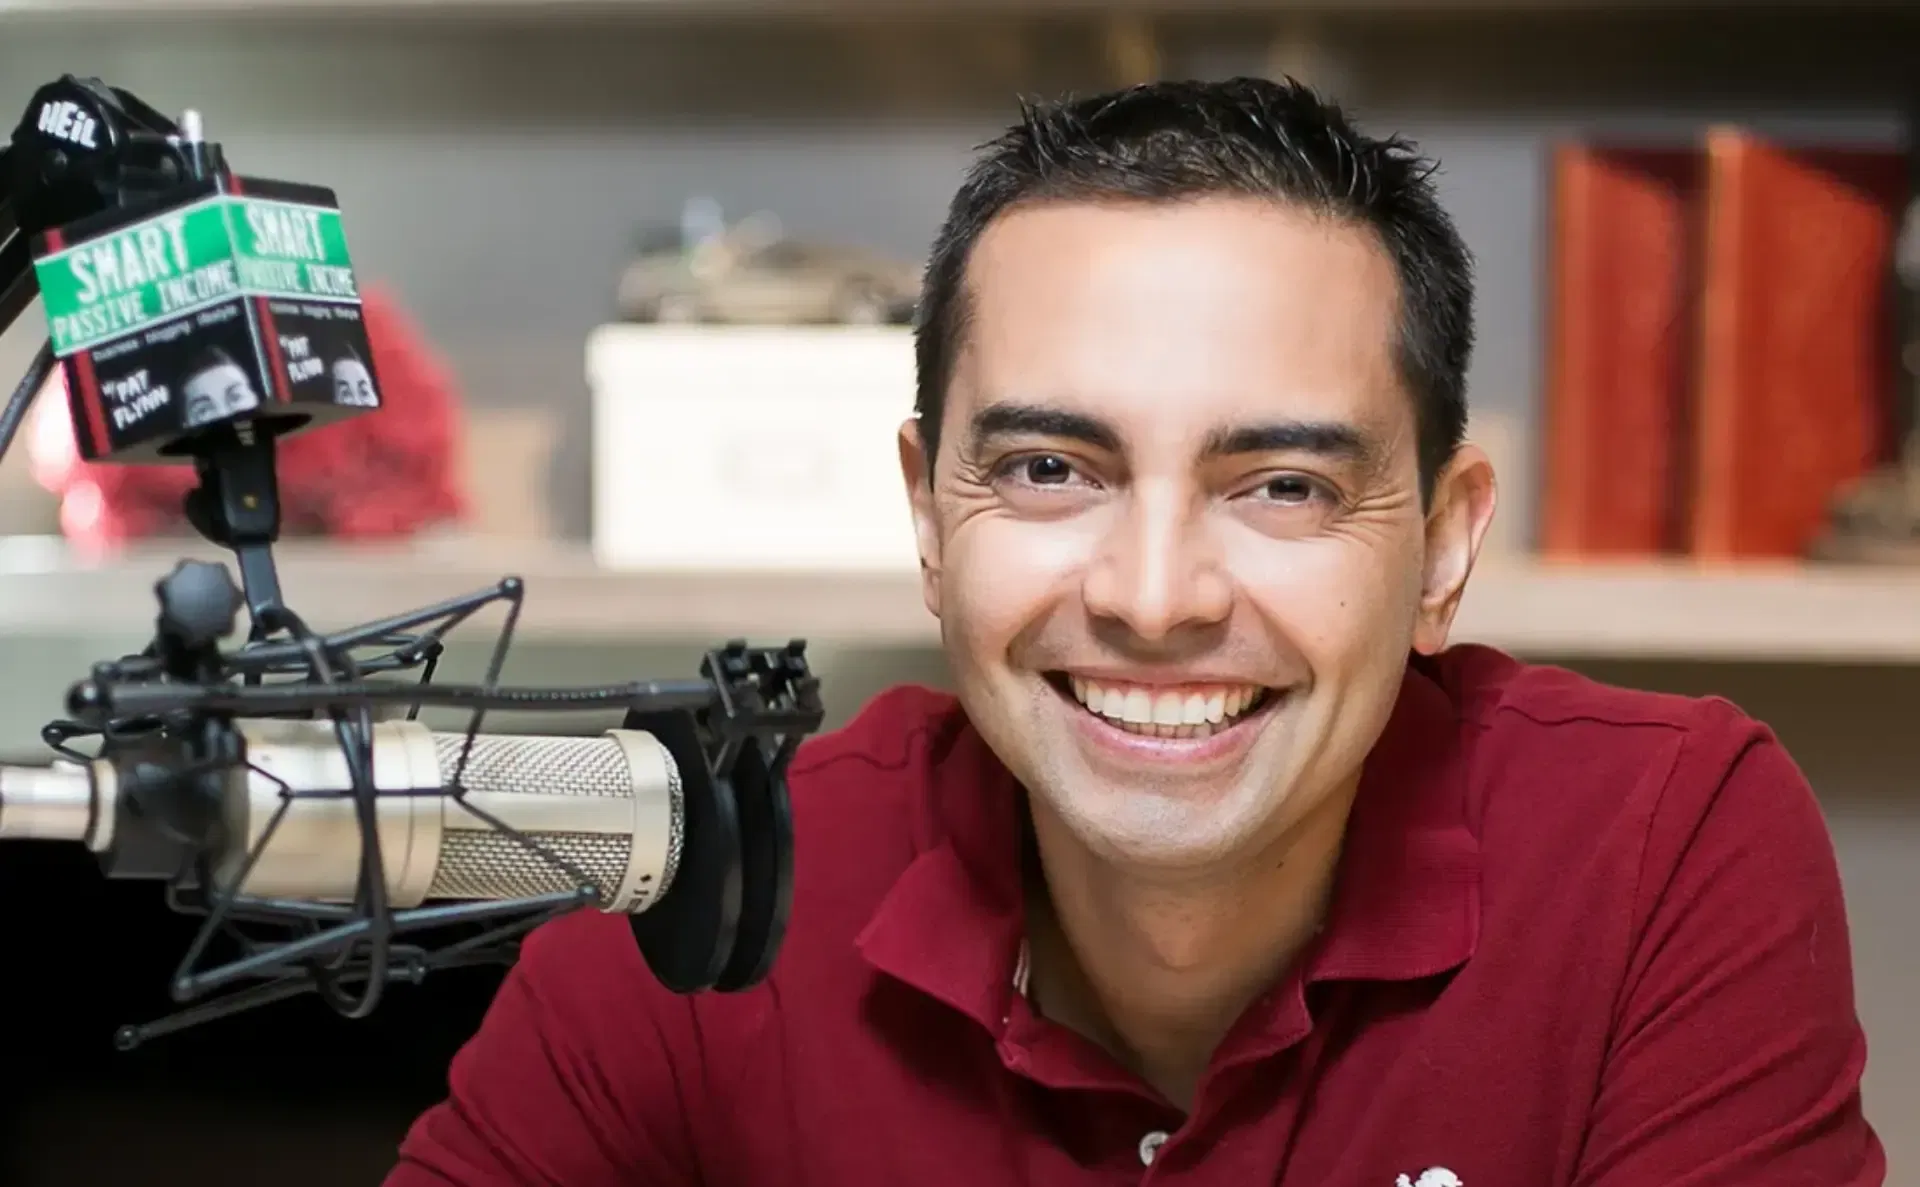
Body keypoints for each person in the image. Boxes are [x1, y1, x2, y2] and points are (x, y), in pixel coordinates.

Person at [385, 77, 1884, 1185]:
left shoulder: (1664, 844)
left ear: (1443, 546)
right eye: (1050, 470)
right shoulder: (710, 887)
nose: (1153, 596)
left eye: (1282, 485)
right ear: (927, 514)